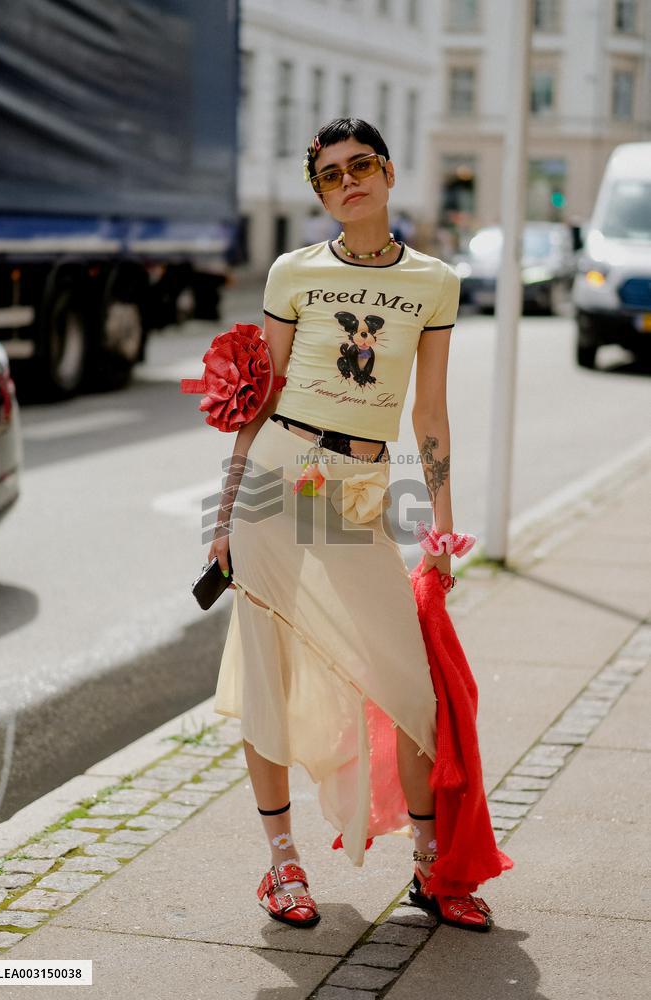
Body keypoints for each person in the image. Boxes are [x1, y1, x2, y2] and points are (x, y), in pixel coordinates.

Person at [208, 117, 496, 932]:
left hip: (361, 488)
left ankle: (432, 872)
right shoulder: (292, 272)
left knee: (407, 682)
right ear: (321, 193)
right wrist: (225, 512)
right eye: (330, 175)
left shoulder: (433, 283)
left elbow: (430, 415)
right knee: (268, 673)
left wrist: (442, 532)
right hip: (278, 478)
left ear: (390, 172)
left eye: (360, 165)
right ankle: (282, 866)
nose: (348, 182)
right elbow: (259, 399)